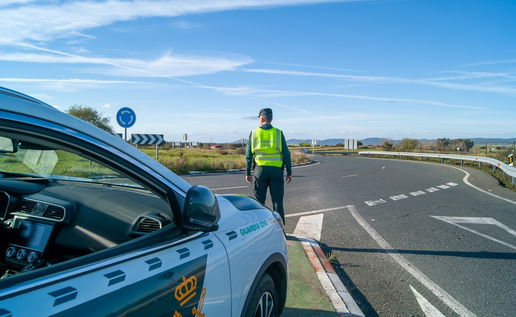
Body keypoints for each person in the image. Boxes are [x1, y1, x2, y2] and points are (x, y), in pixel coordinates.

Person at [245, 108, 292, 223]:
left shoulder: (254, 133)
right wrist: (289, 172)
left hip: (260, 170)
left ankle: (260, 229)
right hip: (276, 171)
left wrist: (247, 173)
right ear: (271, 119)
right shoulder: (278, 133)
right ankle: (281, 230)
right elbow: (286, 154)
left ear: (261, 118)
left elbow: (248, 155)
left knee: (259, 202)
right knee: (277, 202)